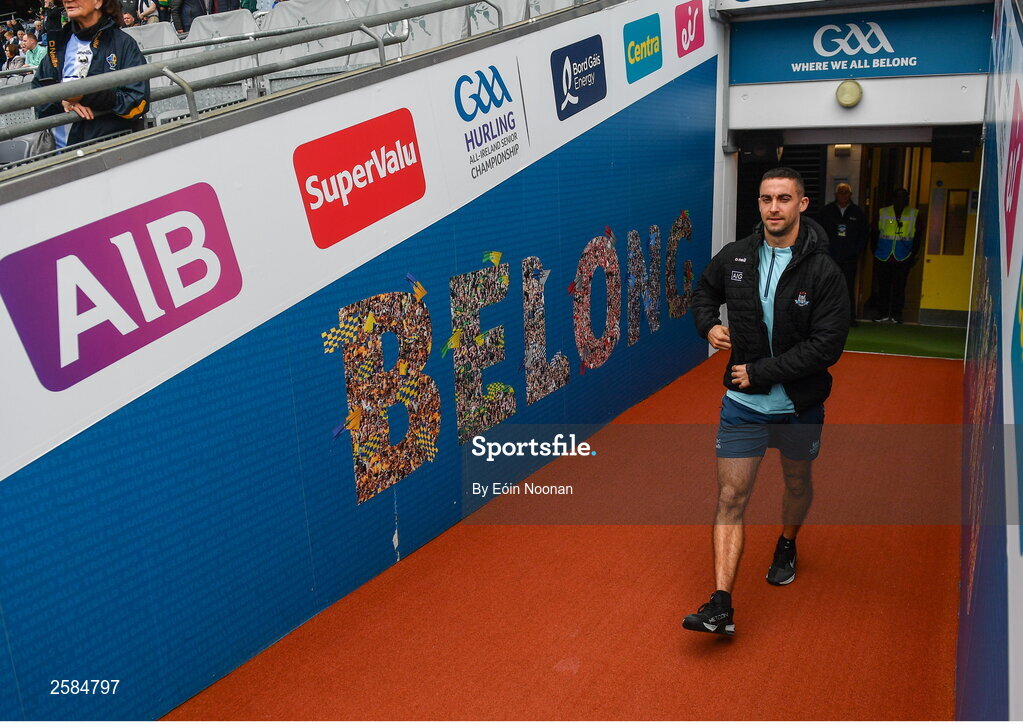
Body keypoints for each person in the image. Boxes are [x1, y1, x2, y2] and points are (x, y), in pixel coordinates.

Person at [684, 167, 850, 636]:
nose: (773, 207)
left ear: (802, 205)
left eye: (783, 198)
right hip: (743, 406)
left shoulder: (823, 272)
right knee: (731, 497)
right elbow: (703, 291)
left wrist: (759, 371)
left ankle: (787, 542)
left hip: (798, 406)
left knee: (796, 484)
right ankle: (721, 606)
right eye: (764, 199)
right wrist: (708, 325)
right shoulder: (737, 256)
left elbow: (826, 347)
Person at [32, 0, 150, 149]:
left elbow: (138, 101)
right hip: (56, 157)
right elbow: (37, 93)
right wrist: (62, 100)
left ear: (98, 2)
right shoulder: (59, 43)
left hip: (103, 154)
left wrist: (85, 96)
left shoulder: (123, 44)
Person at [820, 182, 868, 327]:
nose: (843, 195)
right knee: (827, 289)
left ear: (850, 195)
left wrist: (855, 251)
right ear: (835, 195)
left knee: (848, 289)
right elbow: (820, 232)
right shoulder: (827, 211)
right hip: (829, 258)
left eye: (845, 192)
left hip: (849, 259)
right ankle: (826, 319)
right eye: (840, 192)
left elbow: (864, 235)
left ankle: (849, 319)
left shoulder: (857, 213)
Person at [872, 187, 922, 323]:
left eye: (903, 198)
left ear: (907, 199)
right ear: (893, 199)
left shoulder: (914, 214)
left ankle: (896, 314)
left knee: (899, 287)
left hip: (903, 256)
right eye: (898, 198)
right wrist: (875, 252)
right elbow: (874, 234)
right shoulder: (883, 212)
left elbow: (918, 237)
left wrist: (912, 255)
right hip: (883, 255)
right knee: (883, 286)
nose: (900, 201)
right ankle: (882, 313)